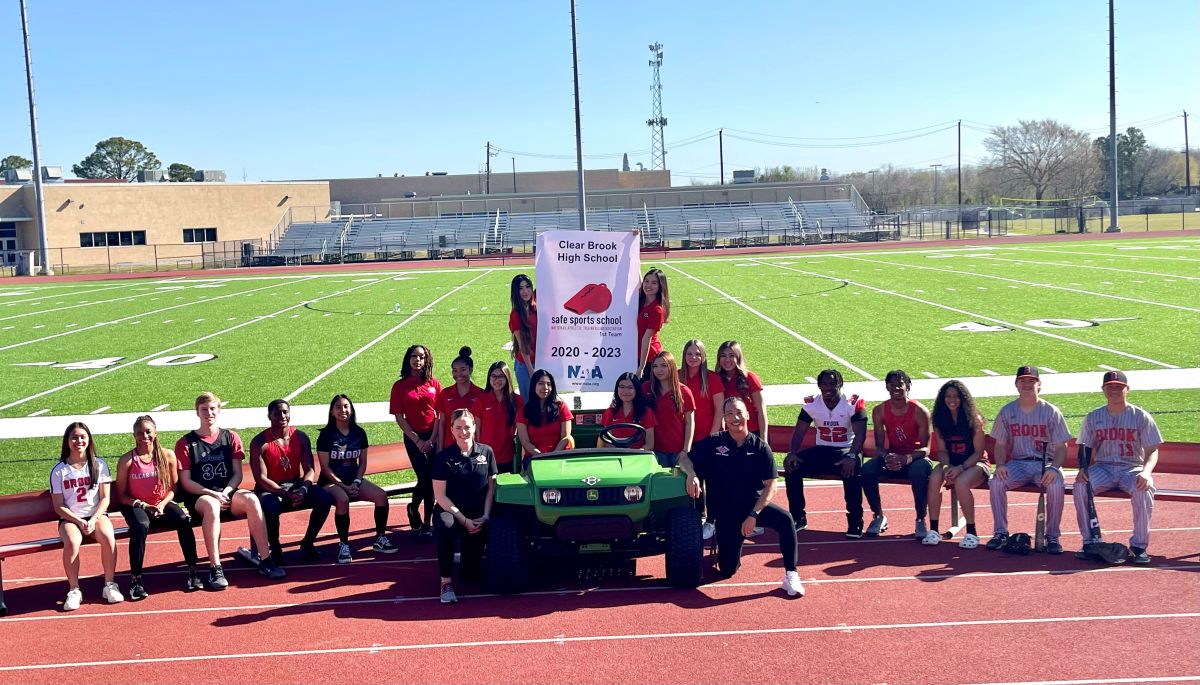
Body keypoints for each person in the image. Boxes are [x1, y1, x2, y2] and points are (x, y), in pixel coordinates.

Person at [678, 399, 805, 598]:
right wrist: (691, 474)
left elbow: (772, 485)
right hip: (725, 514)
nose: (734, 418)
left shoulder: (760, 447)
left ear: (747, 415)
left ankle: (791, 574)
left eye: (738, 412)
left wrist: (754, 515)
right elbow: (683, 458)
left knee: (786, 519)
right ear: (724, 419)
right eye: (729, 414)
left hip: (750, 508)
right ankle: (728, 549)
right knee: (727, 570)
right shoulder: (714, 443)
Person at [176, 391, 283, 586]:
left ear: (219, 410)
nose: (209, 413)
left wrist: (225, 492)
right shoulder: (185, 443)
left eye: (212, 409)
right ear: (197, 412)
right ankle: (215, 568)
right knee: (211, 505)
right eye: (204, 410)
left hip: (227, 493)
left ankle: (266, 560)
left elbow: (237, 474)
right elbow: (186, 482)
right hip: (201, 496)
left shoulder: (231, 437)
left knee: (252, 500)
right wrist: (212, 493)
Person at [1074, 370, 1162, 564]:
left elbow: (1152, 450)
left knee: (1143, 489)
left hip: (1131, 468)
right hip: (1103, 467)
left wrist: (1146, 473)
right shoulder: (1093, 416)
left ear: (1127, 389)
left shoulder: (1140, 416)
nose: (1114, 390)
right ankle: (1090, 542)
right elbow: (1085, 447)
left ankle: (1139, 547)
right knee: (1081, 486)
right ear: (1103, 390)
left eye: (1119, 387)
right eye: (1110, 387)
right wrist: (1083, 469)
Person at [986, 366, 1071, 555]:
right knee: (996, 482)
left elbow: (1061, 447)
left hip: (1046, 464)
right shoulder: (1007, 411)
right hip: (1018, 463)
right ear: (1016, 384)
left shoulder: (1051, 412)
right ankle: (1000, 533)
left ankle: (1052, 536)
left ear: (1039, 385)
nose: (1026, 385)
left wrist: (1055, 468)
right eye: (1023, 381)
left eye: (1031, 381)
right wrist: (999, 465)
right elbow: (1000, 444)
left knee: (1056, 484)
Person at [115, 415, 201, 600]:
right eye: (140, 432)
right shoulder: (127, 461)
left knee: (184, 520)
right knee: (140, 525)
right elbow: (121, 495)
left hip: (162, 502)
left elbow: (175, 488)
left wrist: (162, 503)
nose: (144, 436)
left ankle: (193, 571)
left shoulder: (167, 455)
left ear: (155, 433)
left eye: (148, 432)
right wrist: (143, 505)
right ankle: (136, 580)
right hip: (136, 505)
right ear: (134, 435)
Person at [782, 369, 868, 538]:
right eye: (824, 384)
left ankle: (855, 521)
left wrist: (851, 456)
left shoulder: (851, 403)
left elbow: (861, 434)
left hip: (846, 449)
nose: (828, 388)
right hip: (823, 449)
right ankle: (798, 517)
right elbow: (799, 430)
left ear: (840, 384)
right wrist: (791, 453)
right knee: (793, 466)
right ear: (819, 386)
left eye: (832, 384)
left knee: (850, 470)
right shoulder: (812, 404)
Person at [250, 399, 335, 564]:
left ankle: (308, 542)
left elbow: (309, 469)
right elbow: (261, 479)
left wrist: (303, 489)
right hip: (270, 488)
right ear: (269, 416)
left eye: (285, 412)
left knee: (324, 498)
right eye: (277, 413)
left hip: (295, 485)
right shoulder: (260, 442)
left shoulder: (300, 437)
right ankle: (275, 548)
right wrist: (285, 494)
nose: (282, 416)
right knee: (271, 506)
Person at [50, 422, 122, 610]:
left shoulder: (99, 465)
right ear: (67, 441)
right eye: (74, 437)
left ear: (89, 439)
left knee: (108, 536)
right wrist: (79, 520)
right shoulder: (59, 471)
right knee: (72, 542)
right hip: (71, 519)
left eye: (82, 436)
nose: (78, 441)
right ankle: (74, 589)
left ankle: (109, 584)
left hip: (96, 516)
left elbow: (105, 498)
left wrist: (93, 518)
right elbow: (58, 506)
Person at [317, 394, 397, 565]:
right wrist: (344, 486)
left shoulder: (359, 433)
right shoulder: (326, 435)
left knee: (381, 496)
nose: (343, 410)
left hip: (353, 481)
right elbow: (325, 468)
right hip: (331, 482)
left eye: (346, 406)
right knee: (343, 500)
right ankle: (344, 545)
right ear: (332, 412)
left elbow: (362, 463)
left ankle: (380, 538)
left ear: (352, 410)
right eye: (338, 407)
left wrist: (357, 482)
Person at [431, 409, 497, 604]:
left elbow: (490, 490)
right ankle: (445, 582)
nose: (463, 432)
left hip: (477, 515)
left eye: (467, 427)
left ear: (475, 428)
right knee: (445, 526)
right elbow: (440, 497)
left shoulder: (487, 452)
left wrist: (485, 517)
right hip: (451, 512)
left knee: (470, 576)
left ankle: (464, 559)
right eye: (458, 428)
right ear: (451, 430)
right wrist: (464, 520)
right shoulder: (443, 457)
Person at [861, 370, 933, 538]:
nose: (896, 388)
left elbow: (926, 449)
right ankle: (878, 515)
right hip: (893, 457)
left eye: (900, 384)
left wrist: (906, 459)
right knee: (867, 470)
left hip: (916, 458)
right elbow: (879, 445)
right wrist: (887, 457)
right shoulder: (879, 410)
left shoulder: (920, 411)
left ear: (907, 386)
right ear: (887, 387)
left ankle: (920, 518)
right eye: (892, 385)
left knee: (918, 472)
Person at [924, 380, 990, 548]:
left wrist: (961, 468)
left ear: (963, 398)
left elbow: (978, 452)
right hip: (951, 463)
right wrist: (946, 467)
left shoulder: (974, 419)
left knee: (961, 482)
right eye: (948, 396)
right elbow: (942, 451)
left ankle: (971, 532)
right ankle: (933, 530)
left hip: (975, 464)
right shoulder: (939, 419)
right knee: (934, 477)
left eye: (956, 396)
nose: (952, 400)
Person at [390, 343, 442, 541]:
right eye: (414, 356)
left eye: (421, 356)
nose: (417, 360)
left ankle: (426, 522)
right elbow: (399, 416)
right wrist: (417, 440)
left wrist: (433, 438)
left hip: (432, 436)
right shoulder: (400, 386)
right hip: (413, 438)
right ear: (408, 359)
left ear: (426, 360)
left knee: (432, 478)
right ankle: (413, 508)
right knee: (425, 477)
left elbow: (439, 414)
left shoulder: (434, 384)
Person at [680, 339, 724, 540]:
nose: (693, 358)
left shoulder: (712, 378)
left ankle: (711, 520)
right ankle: (698, 516)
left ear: (704, 356)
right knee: (693, 479)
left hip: (709, 438)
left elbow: (719, 410)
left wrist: (713, 436)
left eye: (697, 354)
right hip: (687, 439)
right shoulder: (678, 376)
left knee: (712, 482)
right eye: (690, 353)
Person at [471, 361, 524, 474]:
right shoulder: (481, 400)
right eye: (493, 376)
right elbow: (477, 430)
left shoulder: (517, 401)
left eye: (501, 376)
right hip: (485, 455)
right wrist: (477, 453)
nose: (497, 380)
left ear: (507, 378)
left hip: (508, 456)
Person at [644, 351, 695, 469]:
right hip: (654, 452)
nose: (659, 370)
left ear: (671, 366)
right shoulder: (646, 388)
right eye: (655, 366)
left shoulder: (684, 391)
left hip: (678, 452)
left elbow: (690, 422)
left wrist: (685, 450)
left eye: (663, 365)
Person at [434, 347, 484, 452]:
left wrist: (480, 449)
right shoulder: (445, 394)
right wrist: (439, 450)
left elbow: (481, 426)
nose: (458, 374)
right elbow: (441, 423)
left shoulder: (481, 394)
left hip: (472, 448)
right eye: (455, 371)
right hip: (449, 448)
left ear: (470, 370)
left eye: (463, 370)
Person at [716, 340, 767, 441]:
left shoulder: (750, 378)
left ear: (738, 358)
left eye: (731, 355)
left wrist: (764, 440)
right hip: (728, 436)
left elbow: (762, 410)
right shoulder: (716, 379)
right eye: (723, 355)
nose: (727, 360)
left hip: (752, 433)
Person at [516, 369, 574, 458]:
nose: (545, 387)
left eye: (549, 384)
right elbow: (525, 442)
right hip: (535, 457)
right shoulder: (524, 411)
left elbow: (565, 437)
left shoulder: (561, 407)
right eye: (541, 383)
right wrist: (540, 456)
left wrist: (553, 455)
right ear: (533, 386)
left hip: (559, 455)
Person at [599, 371, 657, 450]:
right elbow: (608, 443)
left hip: (638, 456)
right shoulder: (610, 412)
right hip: (616, 455)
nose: (626, 391)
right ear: (617, 389)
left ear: (636, 390)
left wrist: (636, 453)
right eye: (622, 387)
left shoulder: (646, 412)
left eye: (630, 387)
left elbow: (649, 444)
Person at [636, 268, 670, 377]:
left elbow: (647, 339)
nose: (649, 285)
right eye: (647, 281)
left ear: (660, 286)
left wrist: (641, 367)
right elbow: (640, 281)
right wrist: (635, 262)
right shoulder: (641, 299)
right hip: (637, 353)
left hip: (649, 358)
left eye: (654, 283)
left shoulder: (657, 310)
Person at [509, 274, 537, 398]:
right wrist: (531, 370)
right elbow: (522, 345)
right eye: (520, 288)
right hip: (526, 365)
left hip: (540, 361)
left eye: (527, 287)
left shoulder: (534, 307)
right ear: (516, 291)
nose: (525, 291)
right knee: (529, 403)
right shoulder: (516, 314)